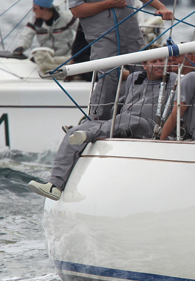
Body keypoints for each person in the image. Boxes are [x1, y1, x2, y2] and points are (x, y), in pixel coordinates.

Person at [27, 56, 176, 200]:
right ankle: (55, 185)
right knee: (78, 129)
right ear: (144, 65)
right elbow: (124, 101)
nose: (159, 64)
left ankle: (88, 135)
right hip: (121, 122)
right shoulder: (134, 78)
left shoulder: (174, 79)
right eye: (154, 61)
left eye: (162, 60)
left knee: (122, 119)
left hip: (149, 125)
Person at [67, 0, 174, 119]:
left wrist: (160, 7)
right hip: (103, 37)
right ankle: (97, 120)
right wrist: (109, 4)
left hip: (130, 31)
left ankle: (144, 115)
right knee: (108, 77)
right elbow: (76, 10)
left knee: (142, 72)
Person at [12, 0, 77, 74]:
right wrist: (21, 47)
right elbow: (26, 35)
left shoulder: (66, 17)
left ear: (45, 9)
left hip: (66, 57)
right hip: (46, 58)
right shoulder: (34, 21)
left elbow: (83, 31)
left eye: (35, 8)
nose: (33, 11)